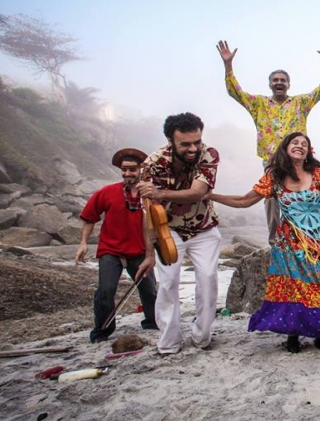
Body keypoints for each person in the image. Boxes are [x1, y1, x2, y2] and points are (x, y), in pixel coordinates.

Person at [208, 132, 320, 353]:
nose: (300, 146)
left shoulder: (317, 173)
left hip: (318, 242)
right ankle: (293, 336)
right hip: (289, 245)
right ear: (285, 148)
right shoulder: (274, 176)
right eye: (295, 143)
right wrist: (211, 196)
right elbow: (244, 201)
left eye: (304, 144)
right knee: (293, 289)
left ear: (308, 151)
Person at [216, 39, 320, 246]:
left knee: (311, 194)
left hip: (302, 159)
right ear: (270, 84)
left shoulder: (300, 103)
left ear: (288, 84)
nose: (279, 82)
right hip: (272, 160)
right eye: (275, 80)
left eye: (283, 80)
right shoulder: (259, 104)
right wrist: (228, 65)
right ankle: (275, 240)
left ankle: (318, 235)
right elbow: (234, 92)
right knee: (271, 198)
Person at [135, 112, 222, 354]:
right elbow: (148, 211)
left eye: (196, 141)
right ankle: (169, 340)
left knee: (208, 280)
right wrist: (149, 253)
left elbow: (197, 192)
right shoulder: (152, 163)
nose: (193, 148)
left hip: (204, 228)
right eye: (185, 144)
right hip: (168, 229)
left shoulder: (209, 154)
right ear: (171, 140)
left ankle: (202, 336)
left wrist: (160, 193)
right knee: (168, 283)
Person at [75, 148, 158, 343]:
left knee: (149, 290)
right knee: (106, 290)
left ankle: (152, 322)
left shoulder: (151, 194)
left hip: (140, 251)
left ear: (141, 170)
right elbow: (89, 217)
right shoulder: (107, 192)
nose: (128, 174)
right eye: (124, 170)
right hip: (110, 250)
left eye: (132, 169)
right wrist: (83, 243)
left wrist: (153, 252)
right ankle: (102, 330)